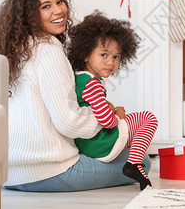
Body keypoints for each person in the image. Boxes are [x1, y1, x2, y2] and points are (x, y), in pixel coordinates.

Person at [0, 0, 152, 192]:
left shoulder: (16, 50)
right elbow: (69, 122)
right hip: (51, 172)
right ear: (29, 15)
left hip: (11, 174)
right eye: (46, 6)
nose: (58, 10)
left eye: (60, 1)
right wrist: (111, 119)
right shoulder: (49, 50)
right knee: (143, 161)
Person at [67, 11, 158, 190]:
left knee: (137, 133)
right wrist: (118, 115)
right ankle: (132, 165)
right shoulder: (91, 83)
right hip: (99, 144)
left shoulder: (82, 79)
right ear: (85, 54)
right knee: (148, 118)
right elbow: (107, 121)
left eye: (116, 57)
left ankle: (135, 164)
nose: (111, 62)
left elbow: (95, 108)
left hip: (90, 143)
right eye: (104, 55)